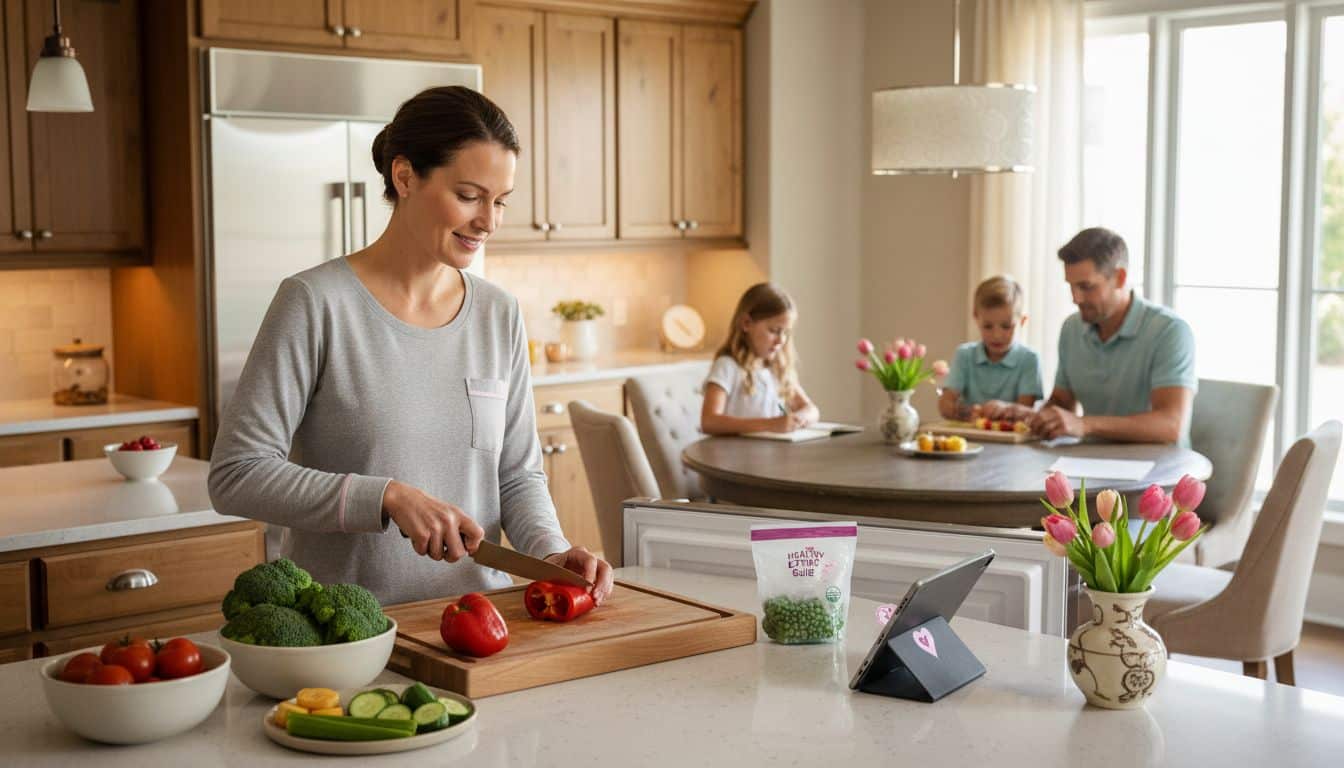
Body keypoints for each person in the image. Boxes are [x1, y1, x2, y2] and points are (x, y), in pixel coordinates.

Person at [208, 86, 613, 606]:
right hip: (350, 633)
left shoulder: (498, 313)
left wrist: (550, 553)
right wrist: (386, 497)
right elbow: (237, 474)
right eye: (469, 196)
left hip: (481, 623)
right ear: (404, 177)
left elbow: (515, 474)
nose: (488, 221)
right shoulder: (315, 302)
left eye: (500, 201)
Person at [1031, 227, 1197, 445]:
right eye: (1071, 286)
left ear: (1120, 278)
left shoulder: (1170, 331)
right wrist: (1028, 415)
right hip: (1089, 465)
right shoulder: (1072, 328)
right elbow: (1062, 402)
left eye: (1086, 286)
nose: (1075, 298)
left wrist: (1085, 424)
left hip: (1156, 472)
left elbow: (1171, 425)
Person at [700, 283, 820, 435]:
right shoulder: (727, 366)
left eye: (786, 333)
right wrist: (770, 425)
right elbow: (709, 422)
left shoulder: (777, 369)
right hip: (735, 456)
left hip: (769, 455)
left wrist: (799, 417)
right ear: (746, 323)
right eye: (774, 331)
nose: (781, 340)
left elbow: (812, 410)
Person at [937, 276, 1044, 422]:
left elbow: (1026, 411)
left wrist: (1003, 410)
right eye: (988, 326)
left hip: (1010, 441)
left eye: (1006, 326)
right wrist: (967, 413)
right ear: (976, 317)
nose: (997, 335)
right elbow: (945, 405)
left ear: (1022, 321)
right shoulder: (964, 355)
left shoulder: (1029, 359)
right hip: (970, 438)